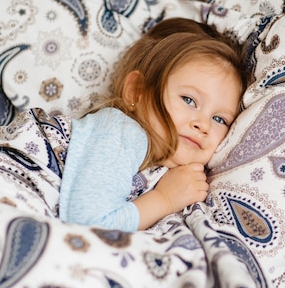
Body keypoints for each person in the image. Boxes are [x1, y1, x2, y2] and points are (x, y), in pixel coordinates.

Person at [58, 17, 248, 232]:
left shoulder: (179, 177)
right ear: (137, 91)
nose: (203, 124)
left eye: (219, 119)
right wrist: (164, 199)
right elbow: (87, 225)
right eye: (188, 100)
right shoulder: (121, 130)